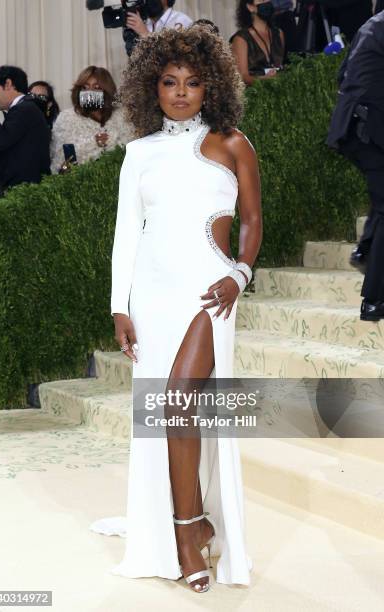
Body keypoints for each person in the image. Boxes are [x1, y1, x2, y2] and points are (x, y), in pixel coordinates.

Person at [90, 26, 262, 592]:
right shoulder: (138, 153)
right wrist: (121, 307)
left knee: (181, 399)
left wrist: (240, 274)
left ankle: (187, 532)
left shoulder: (234, 143)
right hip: (154, 294)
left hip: (210, 292)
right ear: (152, 88)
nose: (181, 92)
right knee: (171, 412)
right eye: (170, 82)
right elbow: (124, 237)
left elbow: (252, 224)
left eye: (192, 82)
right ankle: (190, 521)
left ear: (211, 86)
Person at [327, 10, 384, 321]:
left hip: (354, 126)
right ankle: (374, 299)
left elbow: (342, 75)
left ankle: (365, 249)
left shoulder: (371, 25)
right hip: (367, 129)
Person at [0, 65, 51, 199]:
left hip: (23, 197)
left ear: (8, 84)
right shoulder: (26, 108)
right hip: (20, 195)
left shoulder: (25, 109)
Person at [50, 66, 133, 174]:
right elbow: (60, 158)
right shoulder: (67, 118)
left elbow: (131, 148)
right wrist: (94, 143)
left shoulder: (122, 116)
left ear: (106, 91)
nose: (89, 92)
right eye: (85, 87)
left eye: (96, 87)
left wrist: (110, 140)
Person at [230, 0, 285, 86]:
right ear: (250, 7)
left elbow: (280, 65)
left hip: (278, 93)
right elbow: (242, 77)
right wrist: (264, 79)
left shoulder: (278, 33)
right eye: (262, 0)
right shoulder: (241, 39)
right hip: (253, 94)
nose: (266, 2)